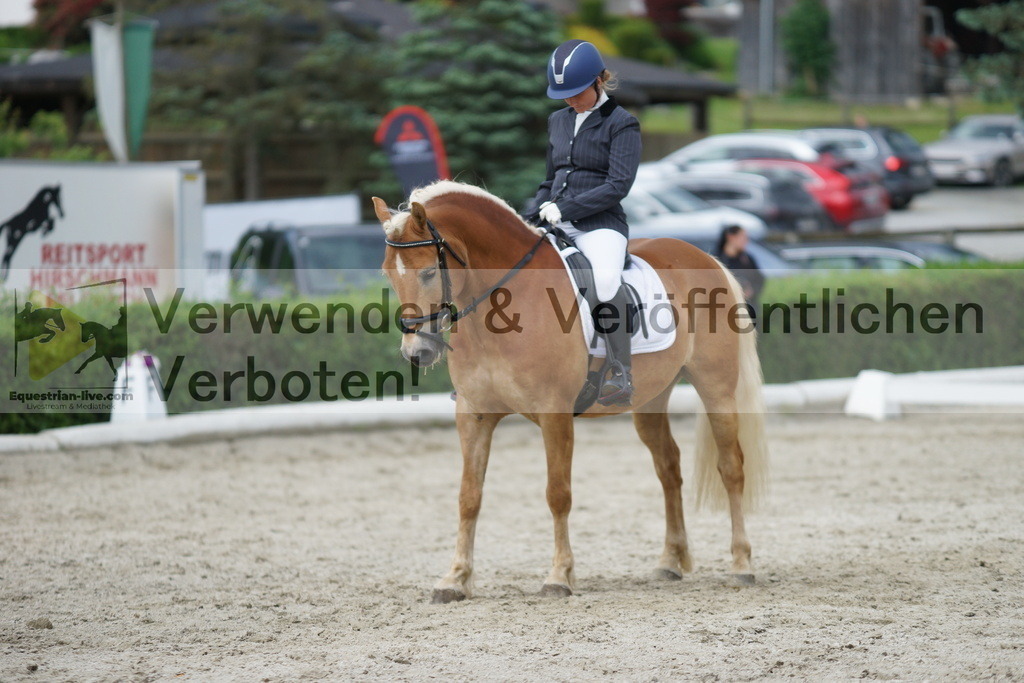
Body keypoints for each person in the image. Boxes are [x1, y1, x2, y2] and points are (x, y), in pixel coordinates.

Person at [521, 39, 642, 406]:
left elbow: (618, 185)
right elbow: (549, 178)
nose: (569, 101)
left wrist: (568, 209)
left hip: (600, 224)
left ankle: (621, 370)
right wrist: (531, 211)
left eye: (576, 93)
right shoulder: (557, 121)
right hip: (555, 220)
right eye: (564, 95)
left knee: (604, 281)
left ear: (598, 81)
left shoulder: (622, 124)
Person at [715, 225, 765, 326]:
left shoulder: (747, 259)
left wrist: (752, 291)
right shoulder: (718, 260)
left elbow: (759, 279)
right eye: (743, 237)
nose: (746, 241)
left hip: (748, 309)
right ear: (731, 237)